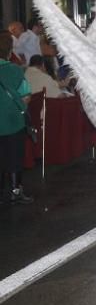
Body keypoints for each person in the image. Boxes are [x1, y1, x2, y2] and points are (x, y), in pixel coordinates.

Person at [0, 33, 34, 203]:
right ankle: (15, 191)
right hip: (13, 121)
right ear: (9, 51)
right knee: (14, 156)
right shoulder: (14, 70)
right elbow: (26, 95)